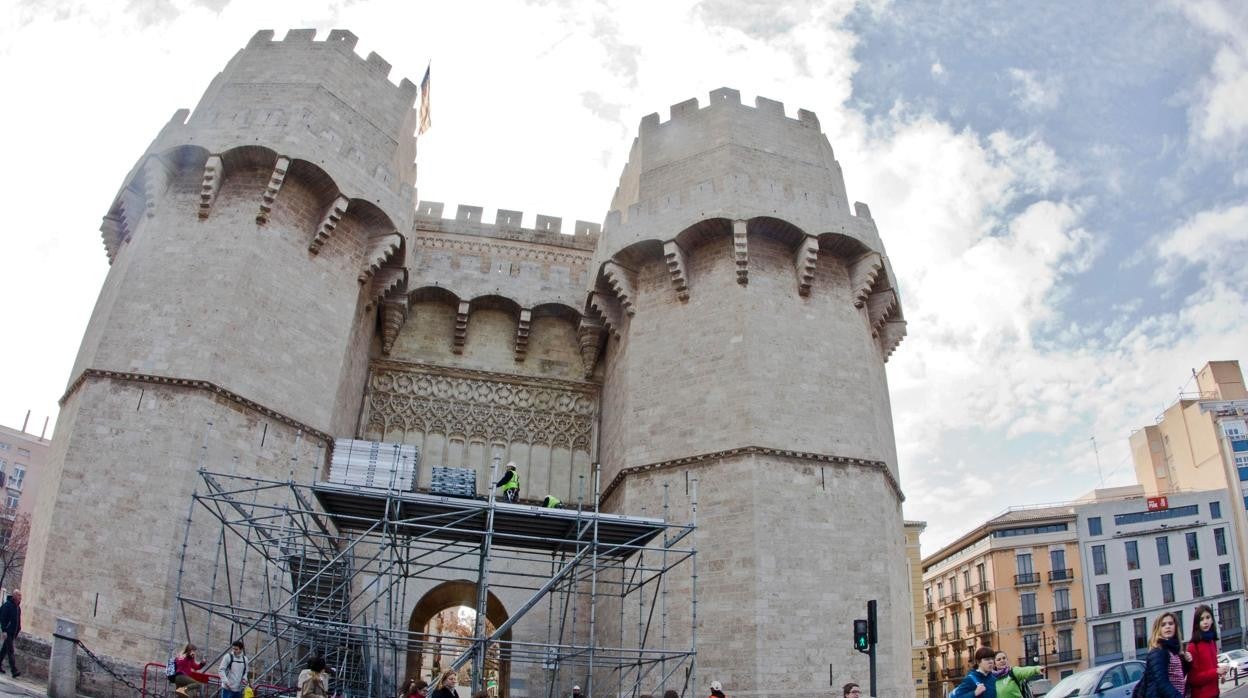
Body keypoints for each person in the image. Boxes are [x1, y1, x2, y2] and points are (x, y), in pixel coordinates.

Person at [1140, 611, 1191, 698]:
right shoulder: (1158, 652)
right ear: (1158, 629)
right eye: (1163, 625)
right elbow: (1162, 682)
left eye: (1170, 623)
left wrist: (1187, 662)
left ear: (1175, 627)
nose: (1168, 626)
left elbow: (1178, 675)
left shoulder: (1173, 650)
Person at [1187, 604, 1228, 698]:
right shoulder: (1193, 646)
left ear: (1212, 620)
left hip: (1215, 692)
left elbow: (1212, 666)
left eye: (1208, 617)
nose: (1205, 622)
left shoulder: (1212, 642)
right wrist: (1216, 671)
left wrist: (1221, 672)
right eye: (1201, 619)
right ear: (1197, 623)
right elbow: (1193, 678)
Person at [0, 589, 21, 678]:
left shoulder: (18, 608)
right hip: (8, 632)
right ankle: (14, 670)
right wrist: (4, 630)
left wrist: (18, 629)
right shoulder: (7, 606)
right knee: (10, 651)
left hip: (13, 632)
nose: (20, 597)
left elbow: (18, 621)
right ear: (14, 596)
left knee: (4, 649)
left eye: (21, 596)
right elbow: (3, 618)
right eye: (19, 595)